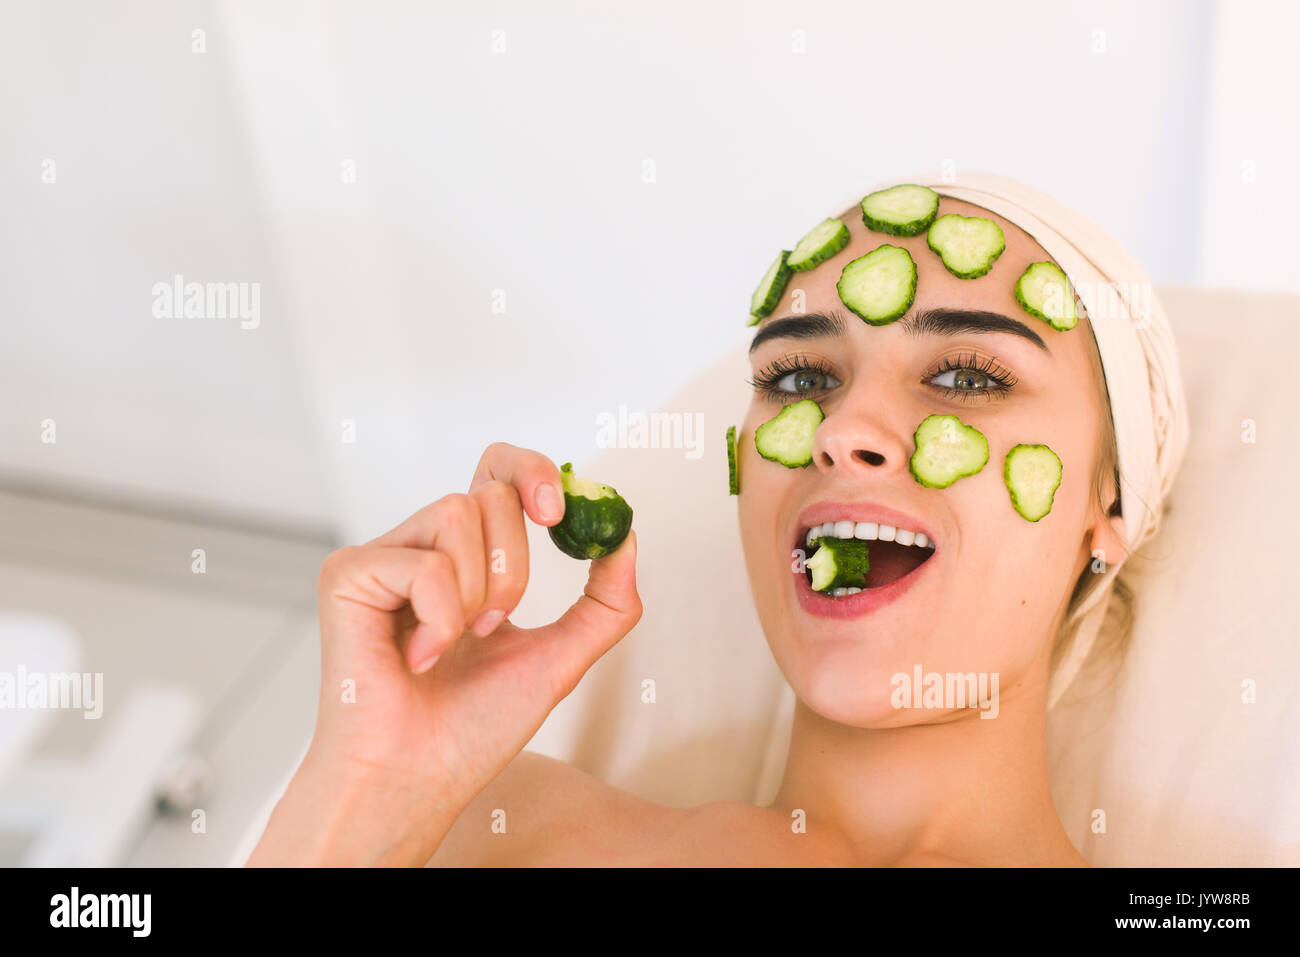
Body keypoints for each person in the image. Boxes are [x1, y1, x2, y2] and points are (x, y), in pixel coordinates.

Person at [247, 178, 1186, 866]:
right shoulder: (511, 831)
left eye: (968, 376)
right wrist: (371, 797)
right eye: (799, 377)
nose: (842, 430)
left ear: (1109, 505)